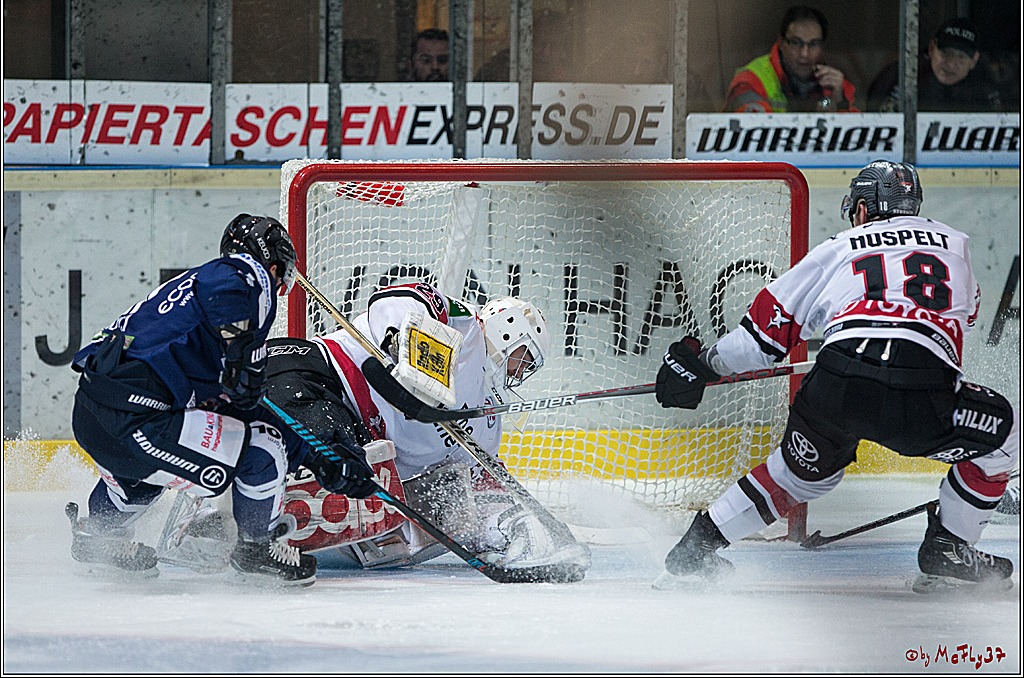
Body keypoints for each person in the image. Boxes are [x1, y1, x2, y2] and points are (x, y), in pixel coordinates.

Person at [654, 160, 1018, 593]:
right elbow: (963, 318)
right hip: (923, 393)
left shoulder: (839, 247)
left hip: (837, 382)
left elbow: (760, 343)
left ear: (862, 210)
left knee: (797, 474)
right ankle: (949, 546)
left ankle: (693, 552)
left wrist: (703, 365)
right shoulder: (956, 245)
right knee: (1003, 438)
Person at [65, 214, 377, 586]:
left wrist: (319, 458)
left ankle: (96, 540)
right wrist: (241, 342)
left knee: (146, 478)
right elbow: (228, 283)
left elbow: (243, 408)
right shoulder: (243, 278)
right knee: (262, 446)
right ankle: (256, 552)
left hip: (95, 418)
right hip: (138, 424)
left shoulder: (191, 315)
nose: (277, 289)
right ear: (273, 266)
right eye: (280, 279)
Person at [259, 282, 589, 574]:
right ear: (508, 330)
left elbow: (473, 489)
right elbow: (402, 298)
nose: (520, 371)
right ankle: (243, 524)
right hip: (308, 375)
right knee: (328, 456)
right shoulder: (467, 330)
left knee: (359, 482)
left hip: (357, 437)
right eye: (524, 357)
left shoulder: (487, 421)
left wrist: (515, 524)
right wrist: (398, 346)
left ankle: (237, 527)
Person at [724, 6, 858, 113]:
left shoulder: (837, 86)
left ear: (823, 47)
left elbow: (858, 142)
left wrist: (841, 104)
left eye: (813, 44)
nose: (804, 53)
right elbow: (754, 137)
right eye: (796, 42)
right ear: (781, 43)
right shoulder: (750, 81)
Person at [867, 17, 1003, 112]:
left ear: (974, 60)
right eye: (944, 53)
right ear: (932, 49)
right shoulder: (901, 75)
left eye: (961, 57)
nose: (950, 64)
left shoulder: (986, 85)